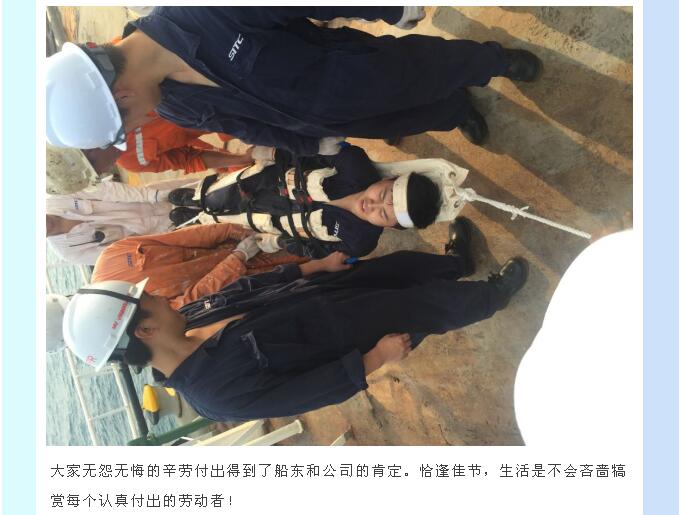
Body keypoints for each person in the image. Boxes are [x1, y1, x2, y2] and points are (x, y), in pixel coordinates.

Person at [62, 218, 528, 421]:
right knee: (429, 307)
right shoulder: (216, 395)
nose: (161, 297)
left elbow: (246, 291)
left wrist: (314, 268)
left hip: (325, 291)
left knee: (400, 269)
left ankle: (455, 264)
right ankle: (494, 295)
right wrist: (375, 358)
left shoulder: (187, 317)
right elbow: (306, 392)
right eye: (149, 300)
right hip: (353, 333)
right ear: (144, 330)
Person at [46, 7, 542, 154]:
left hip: (352, 70)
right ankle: (455, 111)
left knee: (428, 67)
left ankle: (493, 61)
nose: (141, 124)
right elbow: (244, 126)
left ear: (122, 94)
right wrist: (307, 144)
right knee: (411, 115)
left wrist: (385, 8)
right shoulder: (174, 104)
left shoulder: (199, 14)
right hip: (328, 119)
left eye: (129, 122)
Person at [167, 144, 442, 258]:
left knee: (231, 222)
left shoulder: (361, 241)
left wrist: (280, 243)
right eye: (382, 195)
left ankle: (201, 219)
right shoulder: (354, 163)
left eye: (382, 214)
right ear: (389, 179)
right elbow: (307, 150)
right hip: (267, 182)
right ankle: (198, 197)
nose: (372, 205)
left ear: (391, 227)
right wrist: (273, 153)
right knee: (224, 192)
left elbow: (319, 250)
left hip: (273, 220)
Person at [91, 223, 307, 309]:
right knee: (312, 262)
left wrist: (231, 231)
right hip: (248, 280)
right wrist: (238, 259)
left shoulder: (110, 256)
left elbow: (179, 237)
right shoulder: (125, 311)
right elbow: (191, 302)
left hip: (240, 242)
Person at [46, 177, 197, 265]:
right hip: (163, 232)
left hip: (155, 196)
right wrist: (168, 235)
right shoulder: (68, 253)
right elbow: (119, 254)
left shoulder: (57, 197)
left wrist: (155, 195)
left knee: (205, 188)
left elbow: (108, 190)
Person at [81, 114, 254, 175]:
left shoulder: (118, 108)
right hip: (231, 121)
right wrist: (241, 159)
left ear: (90, 152)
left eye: (97, 171)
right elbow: (187, 159)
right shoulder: (131, 163)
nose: (104, 172)